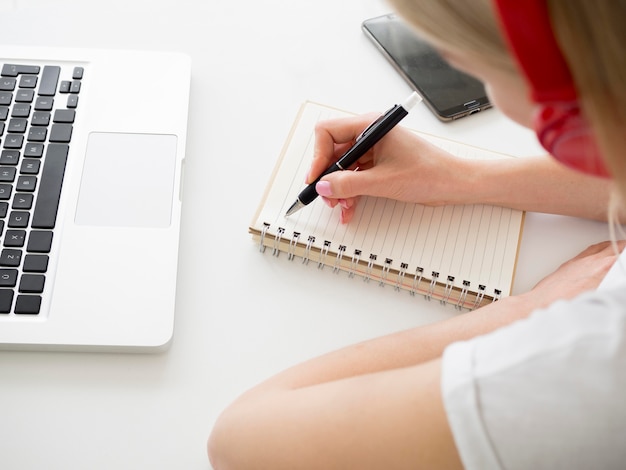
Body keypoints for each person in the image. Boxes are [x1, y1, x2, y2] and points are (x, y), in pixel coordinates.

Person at [208, 0, 626, 468]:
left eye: (467, 63)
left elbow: (242, 440)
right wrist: (463, 179)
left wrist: (530, 310)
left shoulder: (591, 359)